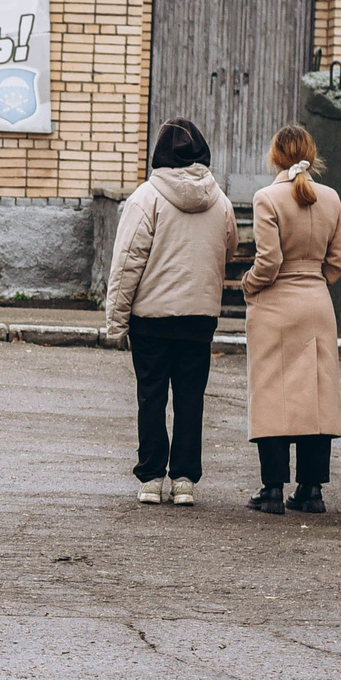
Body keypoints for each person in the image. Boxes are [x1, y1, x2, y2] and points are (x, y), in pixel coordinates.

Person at [102, 119, 233, 506]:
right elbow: (229, 246)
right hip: (198, 317)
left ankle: (151, 478)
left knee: (152, 396)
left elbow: (127, 263)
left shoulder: (146, 198)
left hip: (151, 319)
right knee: (192, 398)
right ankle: (185, 481)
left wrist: (116, 322)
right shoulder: (219, 200)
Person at [241, 126, 341, 515]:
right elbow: (338, 263)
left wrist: (249, 285)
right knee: (315, 398)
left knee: (273, 394)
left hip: (275, 305)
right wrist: (316, 281)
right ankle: (311, 490)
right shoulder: (331, 198)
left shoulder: (266, 198)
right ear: (312, 153)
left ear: (275, 156)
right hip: (317, 304)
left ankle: (272, 488)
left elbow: (268, 261)